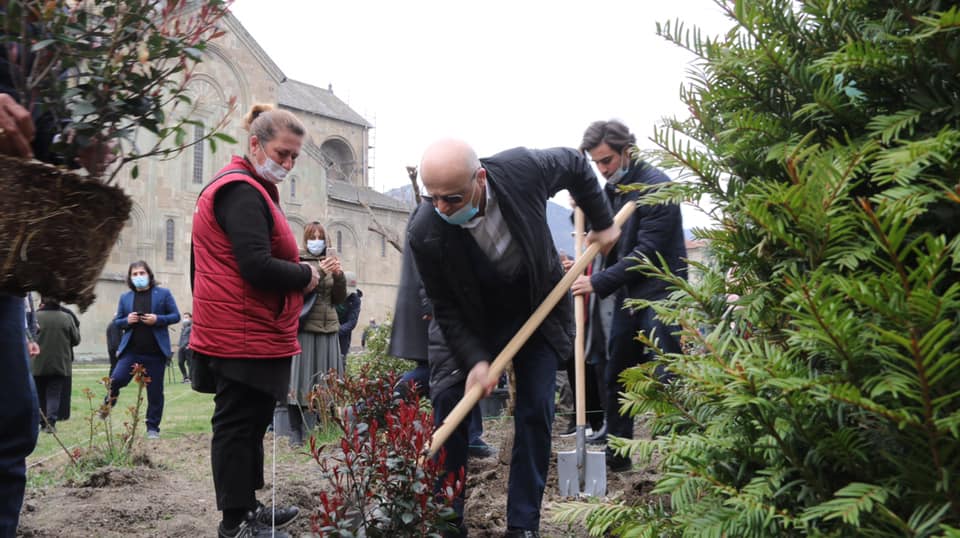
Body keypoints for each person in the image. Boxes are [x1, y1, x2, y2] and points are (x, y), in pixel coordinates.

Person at [408, 139, 619, 537]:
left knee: (536, 410)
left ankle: (523, 525)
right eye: (432, 197)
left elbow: (575, 163)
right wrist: (476, 360)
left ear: (480, 178)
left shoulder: (523, 171)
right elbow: (445, 308)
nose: (442, 208)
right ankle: (445, 520)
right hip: (469, 317)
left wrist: (602, 220)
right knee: (450, 403)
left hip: (534, 307)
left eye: (452, 198)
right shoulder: (425, 230)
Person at [190, 103, 318, 538]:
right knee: (237, 423)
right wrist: (307, 275)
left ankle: (248, 506)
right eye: (282, 153)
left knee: (250, 421)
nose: (288, 164)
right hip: (238, 330)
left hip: (249, 326)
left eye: (294, 156)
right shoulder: (241, 191)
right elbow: (256, 266)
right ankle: (235, 523)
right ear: (255, 145)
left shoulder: (253, 189)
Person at [572, 120, 687, 472]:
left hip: (661, 293)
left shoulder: (657, 187)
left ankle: (681, 456)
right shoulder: (612, 189)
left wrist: (597, 282)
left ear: (627, 151)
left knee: (666, 373)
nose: (603, 169)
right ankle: (617, 453)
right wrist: (581, 212)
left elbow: (646, 254)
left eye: (606, 160)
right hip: (629, 295)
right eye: (596, 163)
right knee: (617, 373)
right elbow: (602, 232)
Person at [389, 237, 494, 465]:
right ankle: (384, 397)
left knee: (463, 372)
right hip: (435, 312)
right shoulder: (429, 224)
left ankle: (471, 434)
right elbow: (428, 265)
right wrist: (429, 303)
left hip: (437, 310)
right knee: (446, 375)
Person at [283, 221, 345, 447]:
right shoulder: (298, 261)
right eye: (312, 237)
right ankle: (295, 431)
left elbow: (339, 299)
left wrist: (338, 276)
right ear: (306, 240)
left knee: (328, 382)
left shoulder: (330, 260)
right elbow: (297, 291)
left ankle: (326, 427)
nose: (317, 241)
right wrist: (320, 271)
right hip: (306, 328)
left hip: (329, 328)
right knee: (299, 379)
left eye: (320, 237)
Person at [107, 260, 181, 439]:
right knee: (116, 379)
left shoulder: (163, 294)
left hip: (155, 353)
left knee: (155, 392)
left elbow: (175, 316)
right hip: (131, 351)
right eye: (135, 274)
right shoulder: (125, 297)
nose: (138, 276)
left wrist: (158, 319)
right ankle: (108, 403)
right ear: (130, 278)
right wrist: (127, 321)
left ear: (149, 274)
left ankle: (152, 427)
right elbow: (117, 322)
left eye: (142, 273)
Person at [31, 297, 81, 433]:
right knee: (54, 393)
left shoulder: (35, 317)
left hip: (37, 363)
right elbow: (76, 340)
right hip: (60, 363)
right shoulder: (66, 317)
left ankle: (42, 423)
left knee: (40, 393)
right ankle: (51, 423)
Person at [336, 272, 361, 361]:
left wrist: (336, 331)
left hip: (343, 335)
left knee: (341, 360)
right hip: (328, 329)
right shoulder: (332, 293)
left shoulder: (355, 299)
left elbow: (352, 322)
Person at [176, 312, 193, 383]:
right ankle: (185, 377)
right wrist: (179, 345)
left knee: (189, 363)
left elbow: (193, 337)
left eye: (186, 317)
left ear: (190, 318)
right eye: (184, 317)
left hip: (188, 347)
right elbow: (182, 337)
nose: (185, 319)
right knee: (180, 362)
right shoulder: (183, 327)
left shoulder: (193, 327)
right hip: (181, 347)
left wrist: (189, 344)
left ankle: (190, 378)